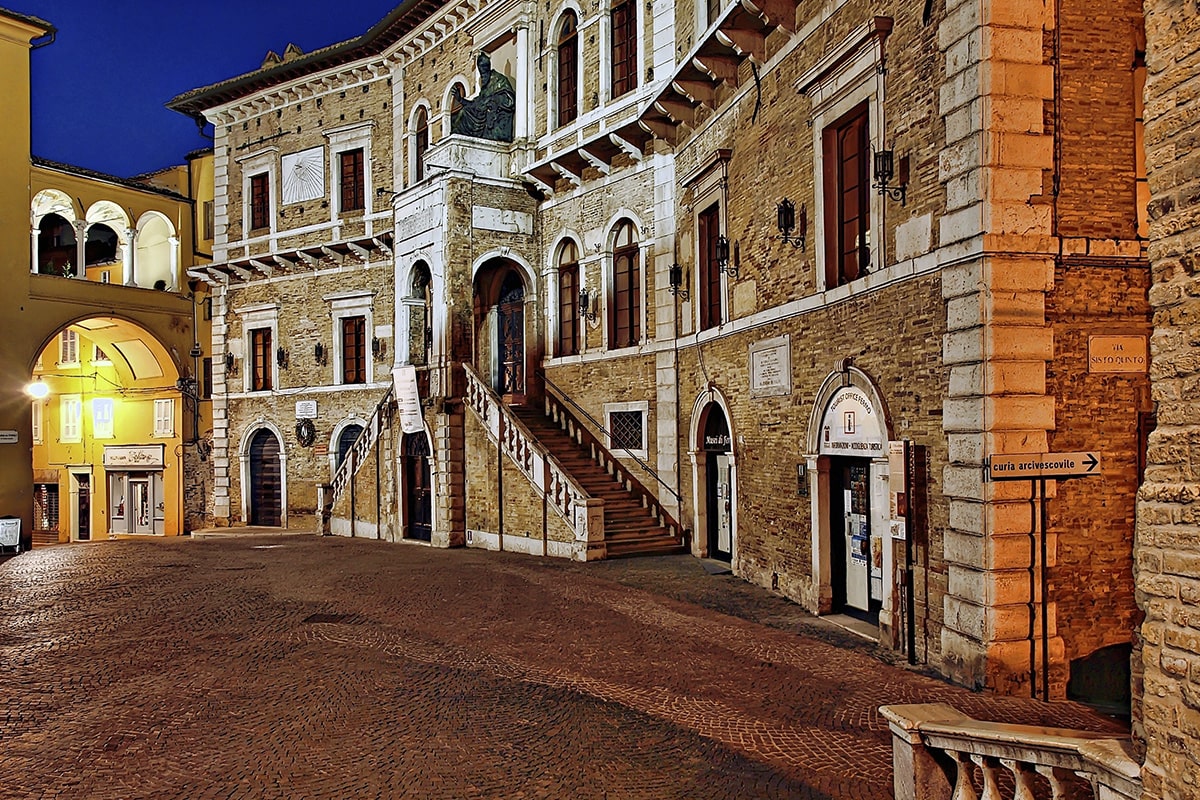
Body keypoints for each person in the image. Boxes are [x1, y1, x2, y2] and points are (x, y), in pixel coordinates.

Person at [451, 52, 516, 142]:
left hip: (493, 113)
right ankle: (456, 137)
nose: (483, 77)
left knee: (465, 112)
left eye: (484, 73)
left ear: (488, 69)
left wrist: (493, 100)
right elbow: (476, 103)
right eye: (481, 74)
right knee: (464, 111)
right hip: (482, 113)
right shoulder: (485, 87)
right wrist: (461, 100)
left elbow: (509, 100)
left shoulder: (499, 80)